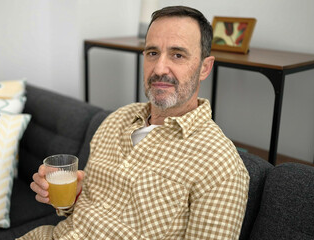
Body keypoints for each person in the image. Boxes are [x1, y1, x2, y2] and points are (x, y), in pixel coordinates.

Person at [19, 5, 249, 240]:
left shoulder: (221, 168)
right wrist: (73, 197)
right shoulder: (117, 120)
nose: (159, 68)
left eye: (177, 55)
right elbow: (82, 214)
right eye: (152, 53)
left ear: (205, 68)